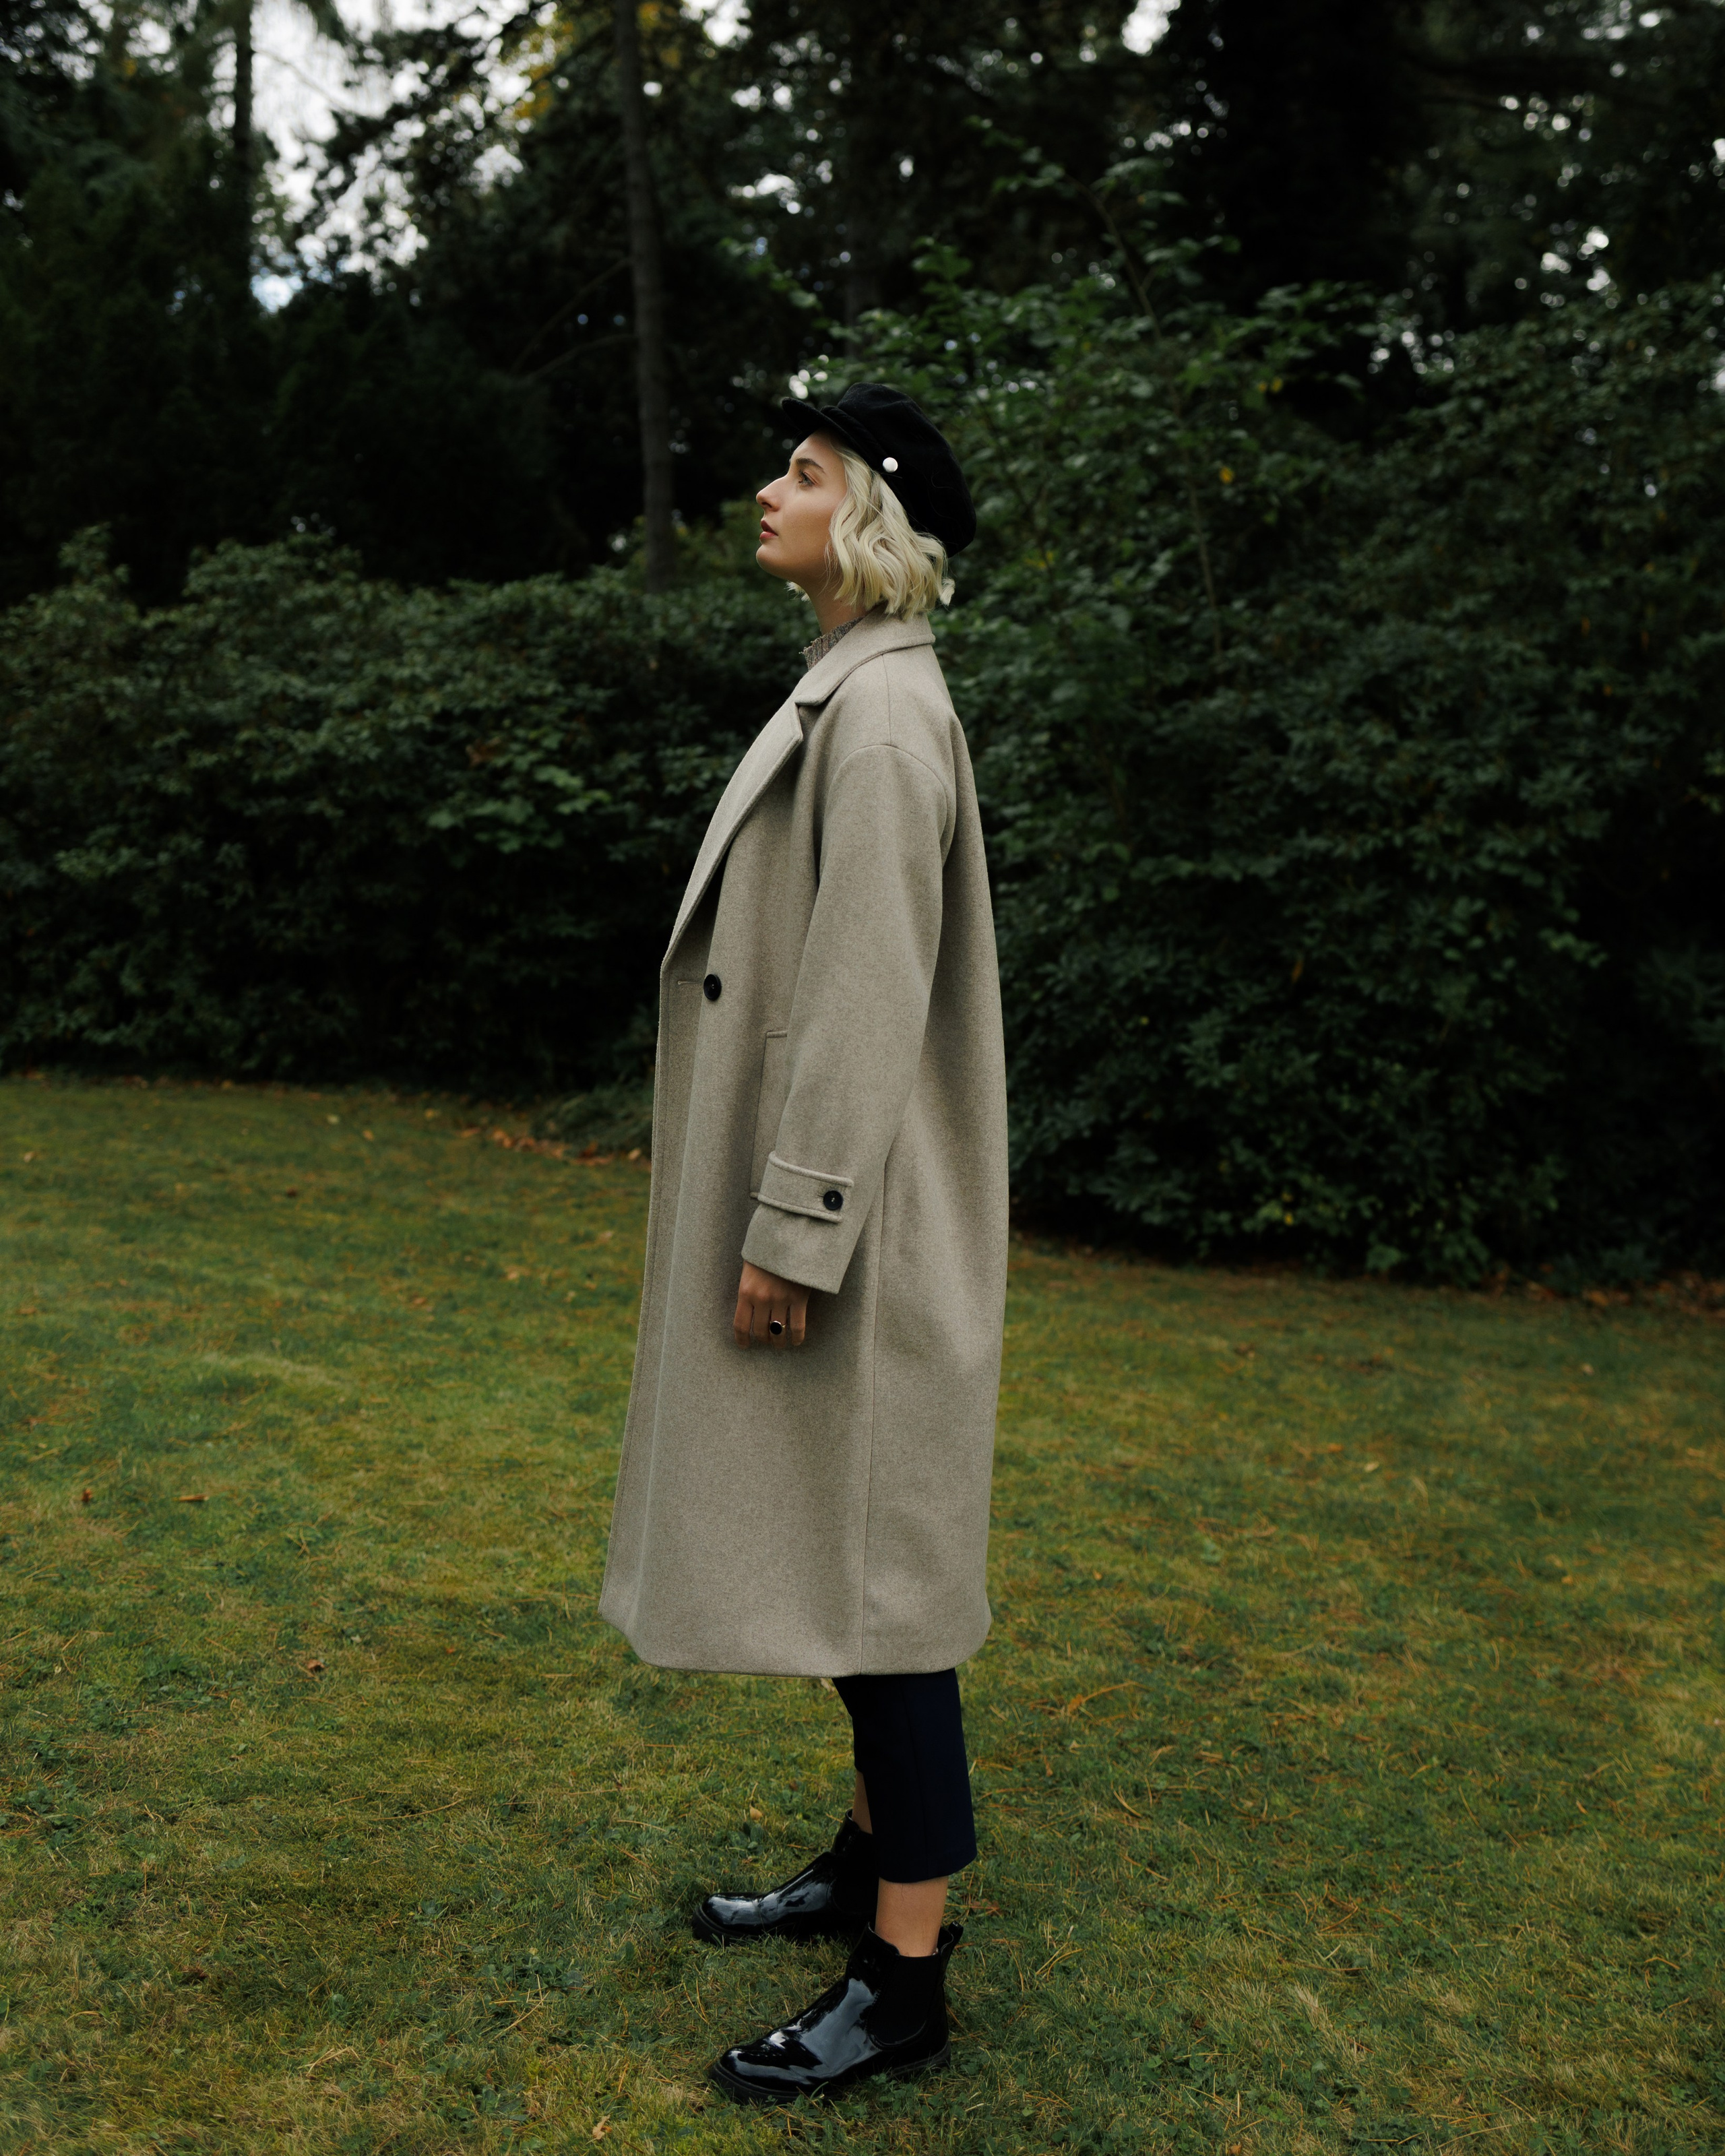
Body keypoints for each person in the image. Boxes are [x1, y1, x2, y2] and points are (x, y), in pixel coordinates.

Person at [597, 381, 1009, 2105]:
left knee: (887, 1591)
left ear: (867, 517)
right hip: (841, 1201)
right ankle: (860, 1861)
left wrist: (797, 1231)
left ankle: (900, 1973)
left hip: (859, 1217)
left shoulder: (885, 719)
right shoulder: (851, 690)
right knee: (853, 1571)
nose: (767, 490)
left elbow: (855, 1008)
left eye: (803, 472)